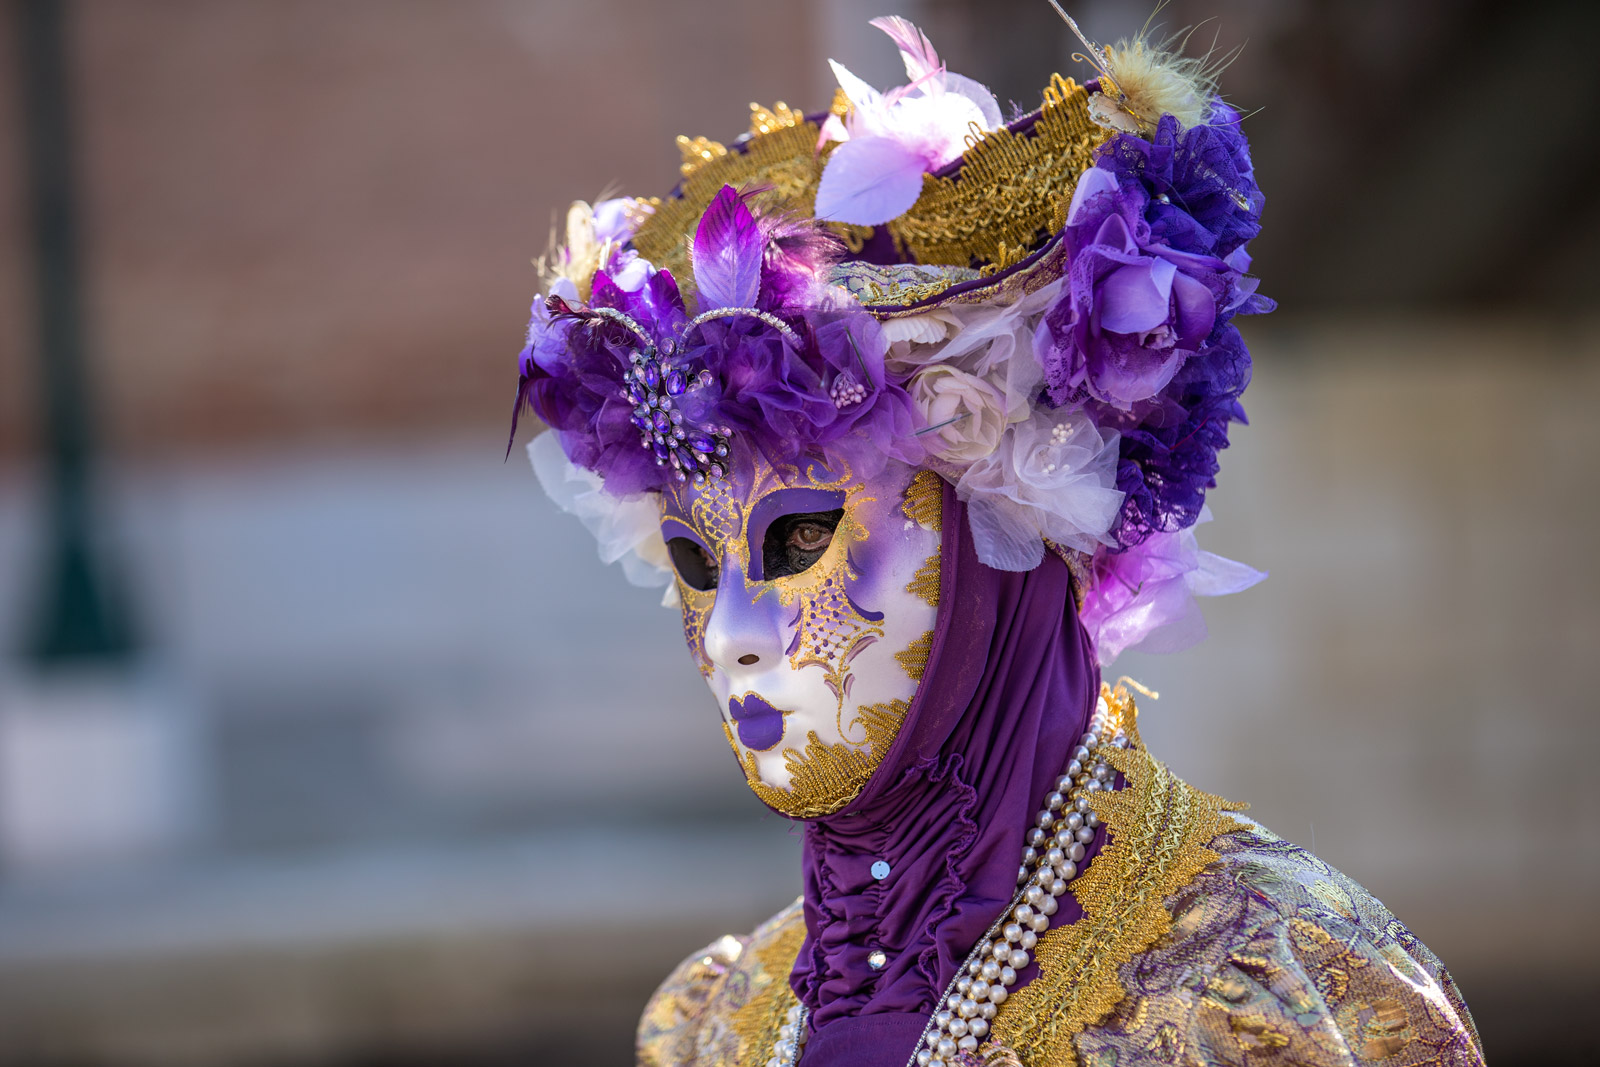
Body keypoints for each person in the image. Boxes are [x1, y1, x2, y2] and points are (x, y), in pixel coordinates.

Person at [510, 14, 1483, 1067]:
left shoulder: (1268, 993)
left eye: (799, 539)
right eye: (697, 565)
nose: (732, 638)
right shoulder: (714, 1026)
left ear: (993, 530)